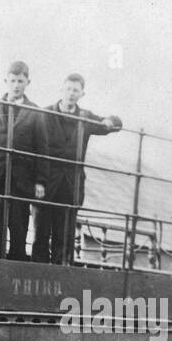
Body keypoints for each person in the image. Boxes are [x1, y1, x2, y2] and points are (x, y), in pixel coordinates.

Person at [32, 74, 123, 265]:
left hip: (71, 185)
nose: (71, 94)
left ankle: (61, 278)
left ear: (82, 93)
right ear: (61, 89)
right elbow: (35, 148)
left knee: (64, 237)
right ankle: (37, 275)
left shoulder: (85, 117)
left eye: (75, 90)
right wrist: (38, 181)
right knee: (41, 235)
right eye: (68, 89)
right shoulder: (45, 113)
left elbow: (115, 124)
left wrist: (108, 121)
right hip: (47, 183)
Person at [0, 61, 46, 261]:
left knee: (18, 228)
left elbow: (42, 149)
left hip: (21, 183)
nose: (16, 85)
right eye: (13, 80)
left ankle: (15, 268)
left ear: (27, 82)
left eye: (20, 81)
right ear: (6, 80)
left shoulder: (36, 112)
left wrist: (40, 181)